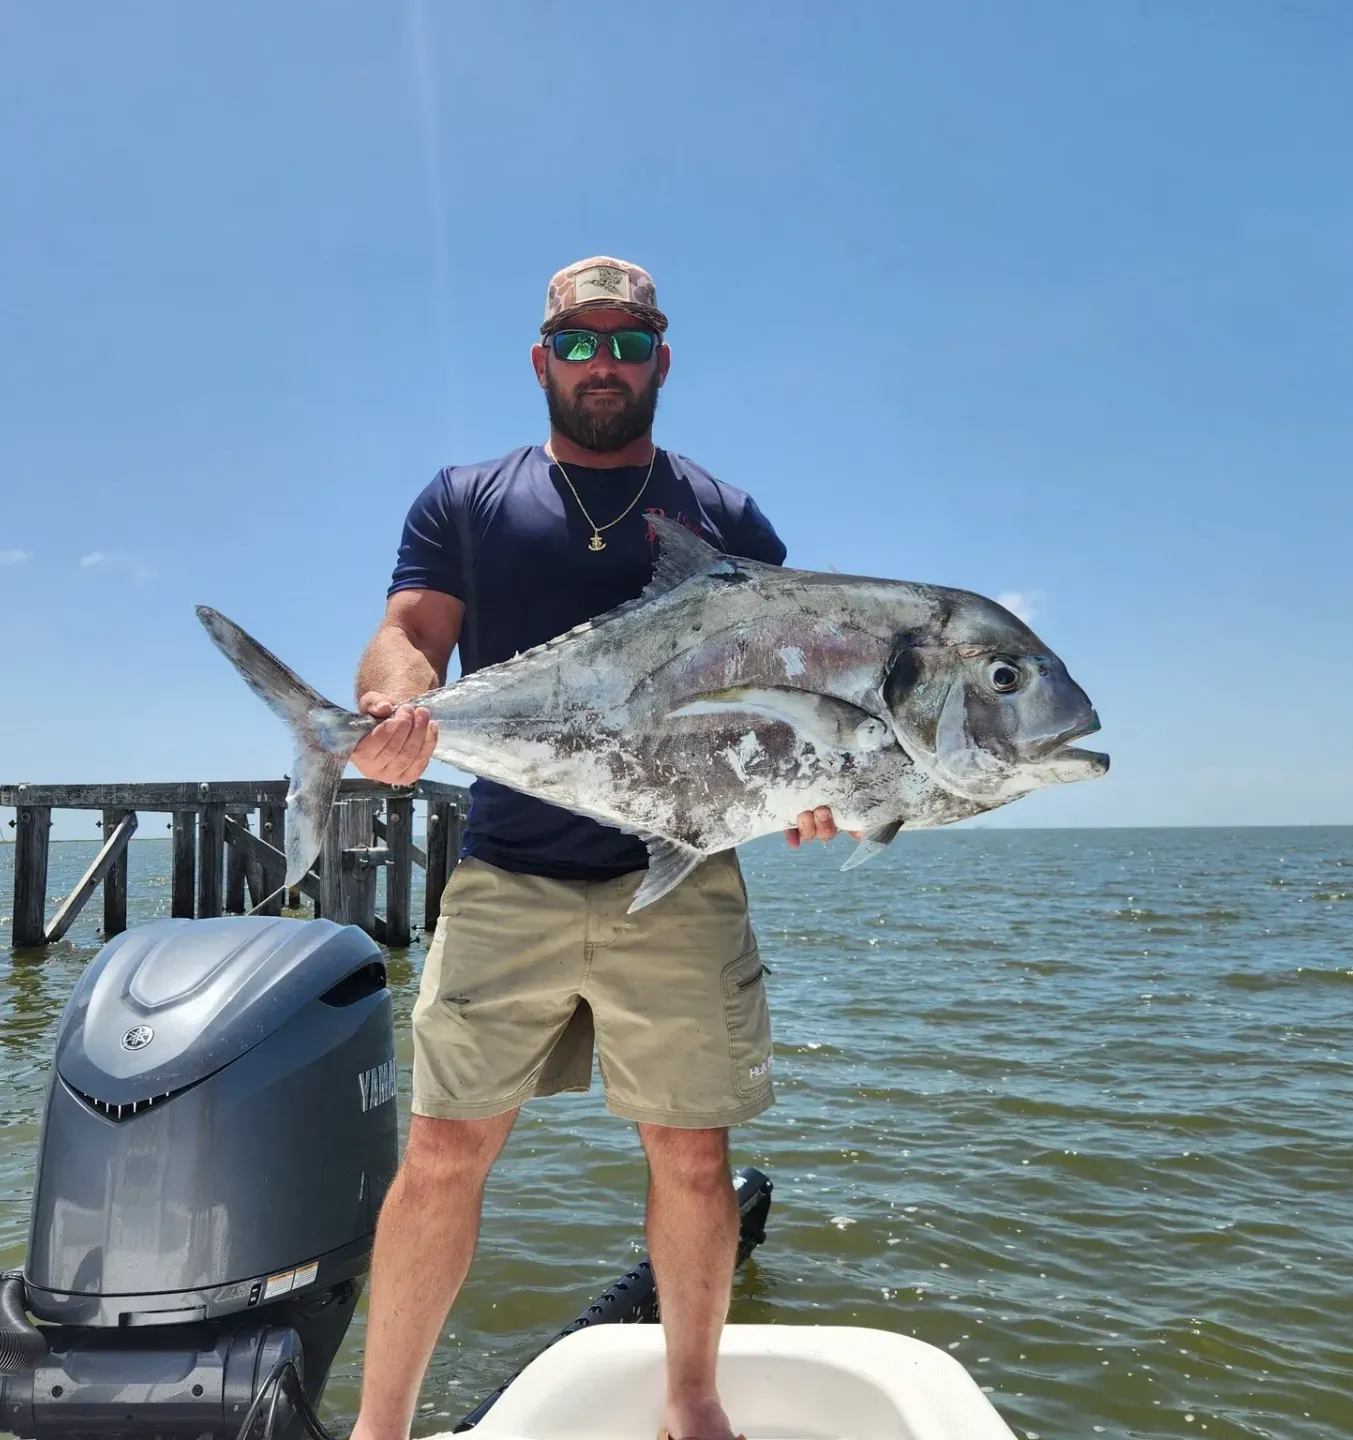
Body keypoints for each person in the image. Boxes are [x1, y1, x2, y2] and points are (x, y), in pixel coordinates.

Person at [347, 257, 843, 1440]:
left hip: (677, 876)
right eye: (579, 345)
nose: (603, 364)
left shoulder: (725, 519)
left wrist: (814, 784)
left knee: (691, 1157)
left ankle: (691, 1398)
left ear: (663, 358)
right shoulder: (469, 497)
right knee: (443, 1153)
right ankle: (378, 1428)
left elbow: (788, 691)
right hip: (506, 869)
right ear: (541, 361)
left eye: (627, 342)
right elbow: (410, 635)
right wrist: (393, 707)